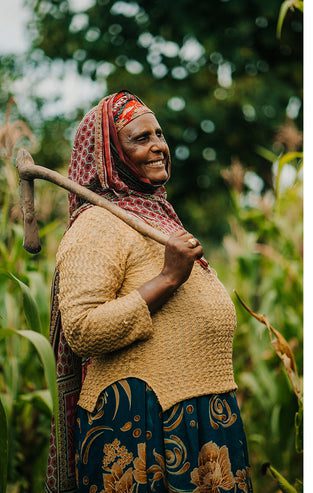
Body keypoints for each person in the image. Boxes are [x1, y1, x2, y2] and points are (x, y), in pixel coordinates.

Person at [46, 91, 252, 492]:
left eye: (158, 134)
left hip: (201, 419)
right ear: (110, 155)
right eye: (140, 138)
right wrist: (169, 278)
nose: (158, 145)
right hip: (142, 424)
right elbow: (83, 329)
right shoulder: (96, 225)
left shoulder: (155, 217)